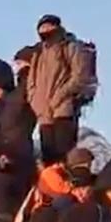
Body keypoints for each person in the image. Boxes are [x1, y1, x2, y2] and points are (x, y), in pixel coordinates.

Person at [23, 14, 93, 163]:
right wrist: (34, 101)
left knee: (65, 154)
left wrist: (61, 96)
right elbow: (31, 82)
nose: (45, 31)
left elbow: (79, 76)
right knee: (48, 157)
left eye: (48, 27)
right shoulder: (39, 53)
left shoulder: (70, 47)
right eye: (41, 28)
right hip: (43, 113)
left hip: (64, 109)